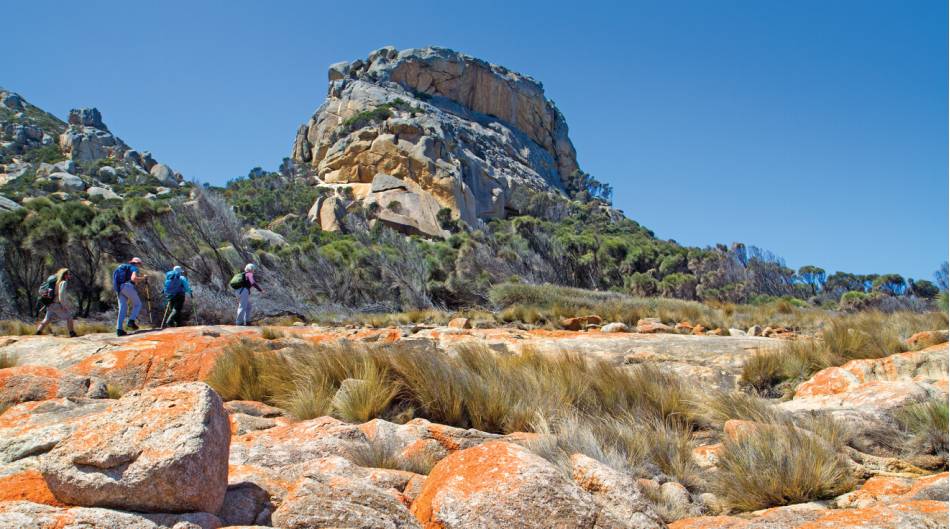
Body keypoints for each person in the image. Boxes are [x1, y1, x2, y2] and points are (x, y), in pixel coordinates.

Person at [35, 268, 76, 337]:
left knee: (47, 319)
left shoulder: (56, 282)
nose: (70, 275)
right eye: (69, 274)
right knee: (69, 317)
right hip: (56, 305)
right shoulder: (63, 282)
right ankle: (72, 333)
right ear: (65, 275)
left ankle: (38, 332)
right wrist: (64, 305)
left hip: (50, 304)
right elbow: (61, 294)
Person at [113, 257, 145, 336]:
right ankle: (131, 321)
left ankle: (119, 330)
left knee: (122, 308)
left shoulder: (121, 267)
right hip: (126, 286)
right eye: (140, 264)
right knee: (138, 304)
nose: (140, 266)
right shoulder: (133, 267)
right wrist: (143, 278)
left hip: (118, 288)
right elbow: (133, 278)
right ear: (137, 263)